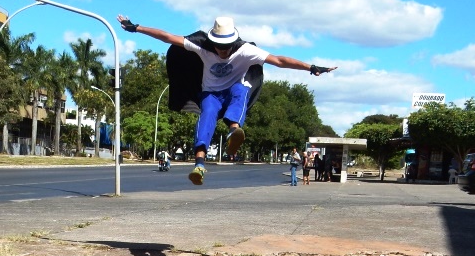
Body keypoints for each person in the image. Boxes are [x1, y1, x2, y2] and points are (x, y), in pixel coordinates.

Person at [118, 14, 336, 186]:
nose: (222, 51)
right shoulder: (201, 45)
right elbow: (167, 37)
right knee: (207, 116)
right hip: (210, 94)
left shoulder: (245, 50)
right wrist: (137, 28)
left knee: (241, 89)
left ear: (233, 42)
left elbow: (279, 60)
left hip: (232, 91)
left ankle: (234, 130)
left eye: (226, 47)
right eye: (218, 47)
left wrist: (311, 67)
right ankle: (199, 165)